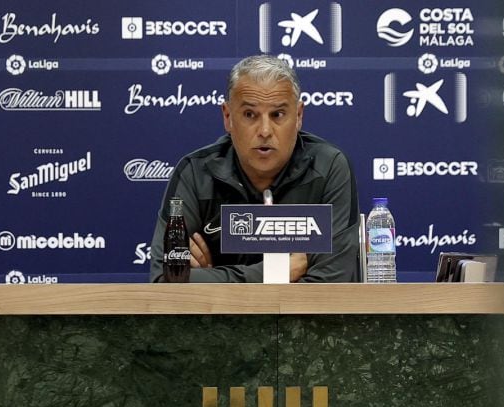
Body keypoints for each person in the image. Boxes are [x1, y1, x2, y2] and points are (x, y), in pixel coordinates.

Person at [149, 55, 359, 282]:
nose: (265, 131)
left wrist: (210, 281)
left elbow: (330, 287)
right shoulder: (195, 173)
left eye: (278, 114)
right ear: (228, 117)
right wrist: (276, 273)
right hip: (220, 319)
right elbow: (165, 280)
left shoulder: (328, 168)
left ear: (298, 116)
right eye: (250, 115)